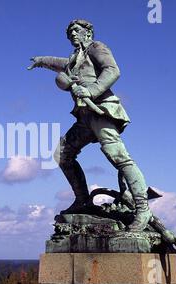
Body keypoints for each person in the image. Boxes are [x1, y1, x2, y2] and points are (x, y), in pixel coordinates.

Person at [28, 19, 151, 231]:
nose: (73, 34)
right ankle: (83, 200)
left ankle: (142, 208)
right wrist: (40, 61)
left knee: (118, 156)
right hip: (84, 117)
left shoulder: (96, 47)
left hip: (101, 110)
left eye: (77, 30)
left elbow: (112, 70)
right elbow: (60, 64)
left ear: (88, 32)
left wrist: (92, 90)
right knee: (62, 155)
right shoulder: (74, 58)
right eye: (70, 32)